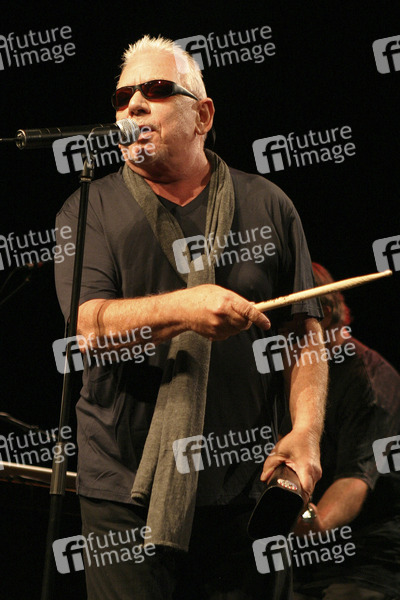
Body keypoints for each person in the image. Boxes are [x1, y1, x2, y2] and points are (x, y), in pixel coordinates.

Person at [54, 35, 327, 600]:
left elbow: (304, 332)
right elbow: (89, 327)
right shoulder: (88, 208)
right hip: (123, 492)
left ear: (202, 115)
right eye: (123, 96)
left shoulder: (269, 204)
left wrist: (306, 432)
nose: (133, 105)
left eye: (155, 90)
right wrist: (185, 307)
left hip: (245, 487)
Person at [291, 263, 400, 600]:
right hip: (307, 562)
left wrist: (306, 522)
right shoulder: (291, 374)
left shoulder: (368, 379)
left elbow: (354, 480)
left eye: (289, 320)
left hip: (367, 561)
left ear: (323, 314)